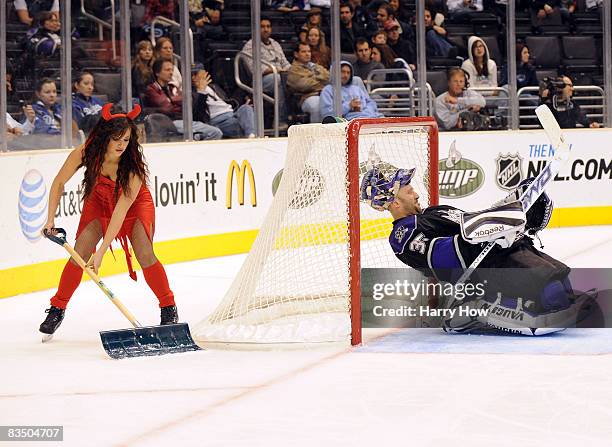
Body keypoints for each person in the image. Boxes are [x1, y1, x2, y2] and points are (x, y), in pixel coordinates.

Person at [360, 166, 594, 335]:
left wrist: (511, 206)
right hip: (479, 271)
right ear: (394, 203)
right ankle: (485, 310)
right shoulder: (402, 235)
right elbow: (443, 259)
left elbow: (473, 222)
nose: (416, 193)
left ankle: (558, 303)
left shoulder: (435, 211)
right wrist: (492, 231)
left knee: (559, 278)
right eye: (408, 190)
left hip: (498, 252)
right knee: (548, 290)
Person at [39, 104, 180, 337]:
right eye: (116, 139)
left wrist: (102, 250)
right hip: (99, 201)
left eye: (125, 140)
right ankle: (57, 308)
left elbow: (121, 211)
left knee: (145, 253)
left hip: (134, 207)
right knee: (80, 252)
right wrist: (50, 218)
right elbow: (58, 182)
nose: (121, 145)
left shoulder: (133, 167)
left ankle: (168, 306)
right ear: (105, 136)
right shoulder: (85, 152)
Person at [144, 59, 223, 140]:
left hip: (183, 120)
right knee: (213, 133)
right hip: (169, 122)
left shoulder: (172, 88)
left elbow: (188, 104)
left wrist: (175, 101)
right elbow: (168, 108)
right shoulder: (152, 89)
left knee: (215, 132)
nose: (171, 73)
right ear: (157, 73)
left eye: (172, 70)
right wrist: (178, 102)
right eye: (167, 70)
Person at [241, 18, 291, 124]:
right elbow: (255, 70)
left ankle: (294, 116)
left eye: (268, 26)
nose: (266, 29)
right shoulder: (250, 46)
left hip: (280, 73)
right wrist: (276, 70)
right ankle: (280, 120)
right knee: (278, 80)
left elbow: (285, 63)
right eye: (262, 27)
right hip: (260, 80)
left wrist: (290, 70)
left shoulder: (275, 44)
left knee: (293, 78)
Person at [192, 66, 256, 138]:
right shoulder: (191, 93)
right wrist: (201, 91)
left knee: (246, 108)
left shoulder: (213, 86)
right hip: (217, 120)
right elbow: (197, 114)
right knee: (246, 126)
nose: (193, 78)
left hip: (232, 113)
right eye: (192, 75)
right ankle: (251, 136)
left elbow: (228, 100)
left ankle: (251, 135)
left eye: (205, 74)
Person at [287, 42, 330, 124]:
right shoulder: (293, 70)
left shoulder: (315, 66)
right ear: (296, 54)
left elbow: (329, 77)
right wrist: (321, 81)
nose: (307, 54)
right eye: (304, 52)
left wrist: (313, 77)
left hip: (324, 94)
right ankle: (316, 134)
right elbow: (304, 85)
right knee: (317, 105)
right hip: (306, 98)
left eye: (309, 51)